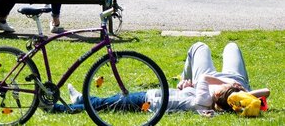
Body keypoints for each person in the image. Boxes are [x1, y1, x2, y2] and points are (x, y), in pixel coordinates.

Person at [51, 41, 269, 116]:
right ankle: (80, 101)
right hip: (232, 82)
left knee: (111, 103)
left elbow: (204, 78)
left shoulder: (206, 97)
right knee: (230, 46)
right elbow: (265, 92)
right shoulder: (233, 98)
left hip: (154, 99)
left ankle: (76, 103)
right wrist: (241, 91)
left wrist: (228, 85)